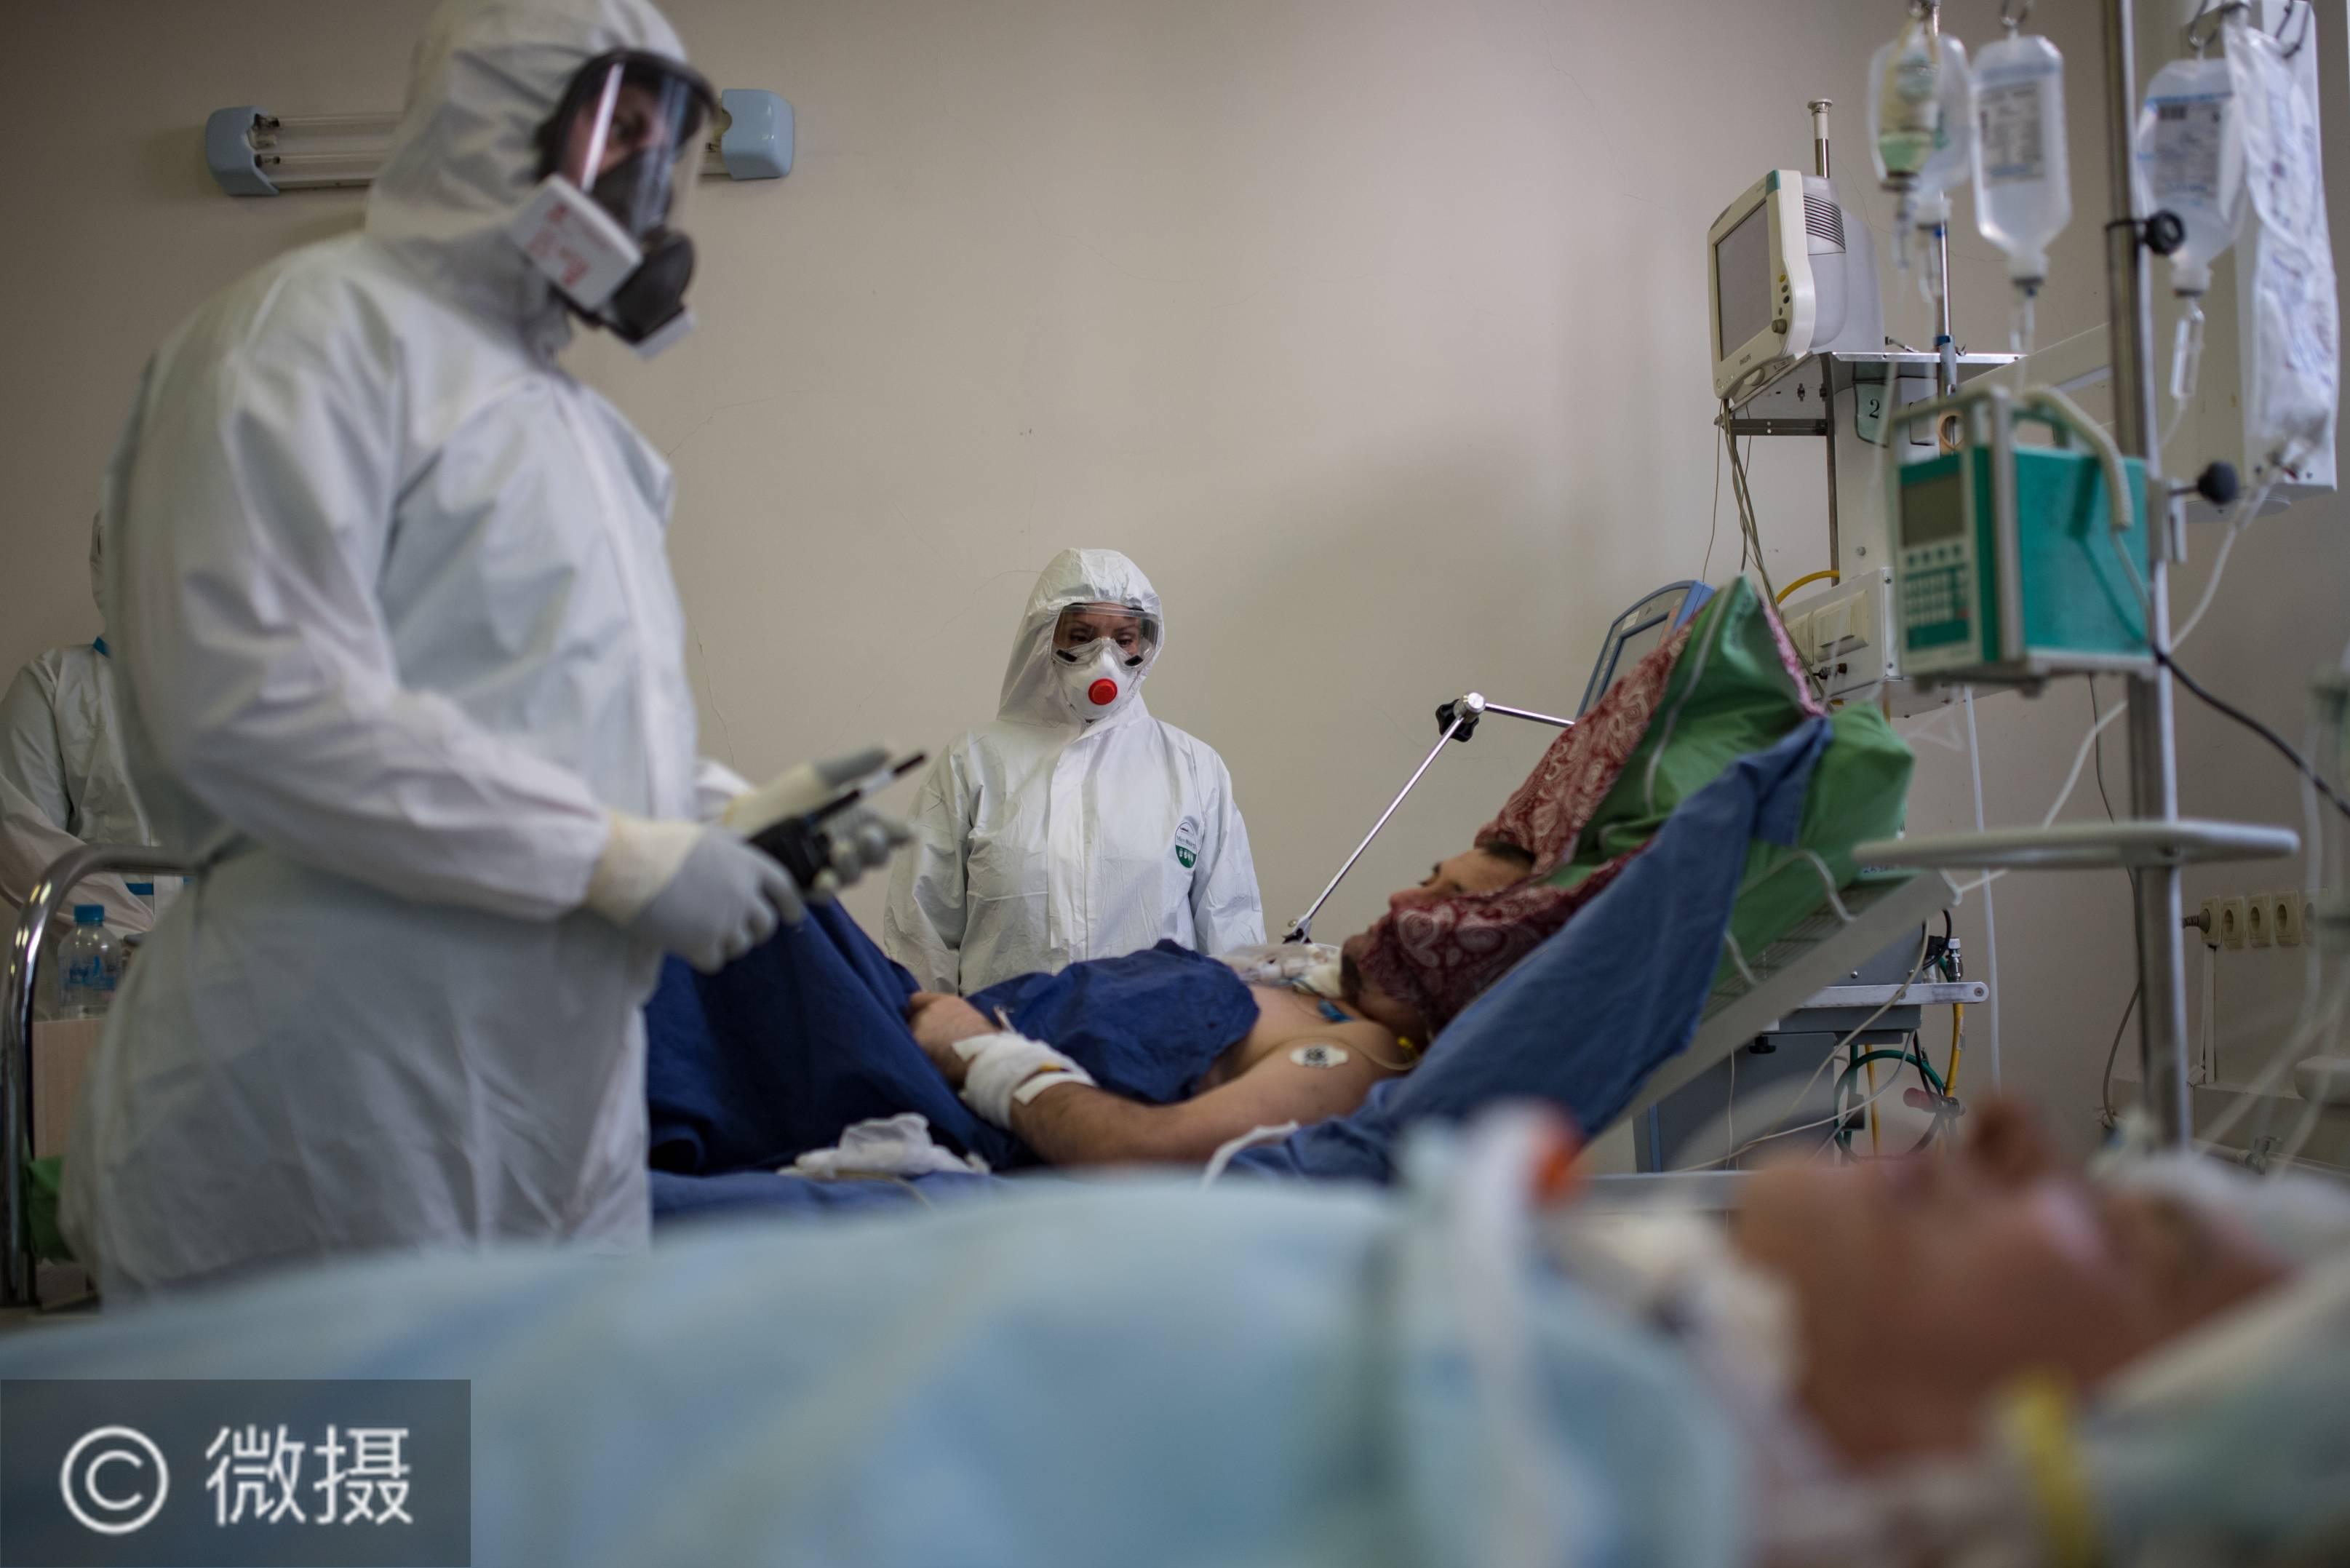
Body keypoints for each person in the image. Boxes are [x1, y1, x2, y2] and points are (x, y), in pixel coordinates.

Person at [62, 0, 897, 1300]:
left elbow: (550, 719)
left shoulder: (584, 434)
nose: (645, 176)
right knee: (338, 1431)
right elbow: (253, 705)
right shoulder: (305, 335)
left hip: (553, 1094)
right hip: (332, 1080)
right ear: (495, 119)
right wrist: (618, 857)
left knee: (533, 1423)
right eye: (618, 127)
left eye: (666, 143)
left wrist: (721, 819)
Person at [904, 843, 1532, 1165]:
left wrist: (979, 1052)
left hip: (937, 1093)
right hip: (934, 1033)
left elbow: (1141, 1151)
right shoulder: (1312, 982)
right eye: (1426, 879)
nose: (1402, 899)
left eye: (1444, 901)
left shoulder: (1363, 1052)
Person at [883, 549, 1263, 995]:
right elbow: (921, 930)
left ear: (1144, 645)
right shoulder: (973, 762)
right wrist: (934, 1031)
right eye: (1081, 636)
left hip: (1153, 1033)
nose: (1104, 658)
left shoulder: (1193, 767)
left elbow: (1230, 929)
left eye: (1124, 639)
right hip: (1006, 1034)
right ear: (1044, 638)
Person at [0, 515, 157, 934]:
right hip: (96, 961)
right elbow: (19, 840)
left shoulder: (256, 694)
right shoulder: (50, 684)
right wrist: (136, 936)